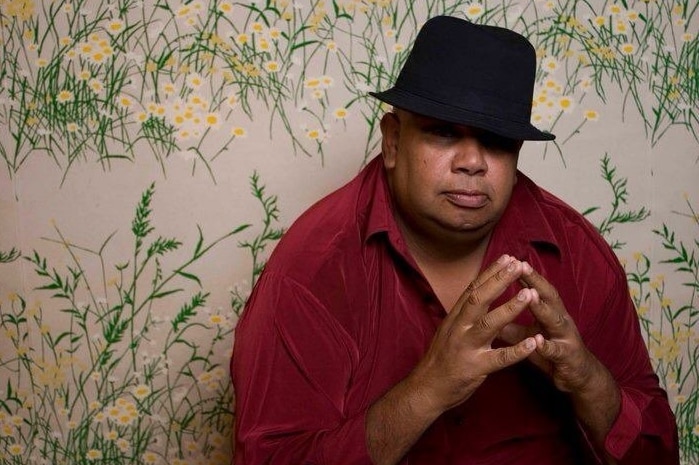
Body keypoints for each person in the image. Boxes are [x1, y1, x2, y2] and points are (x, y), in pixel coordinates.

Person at [230, 15, 679, 465]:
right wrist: (429, 389)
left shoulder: (575, 252)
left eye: (496, 140)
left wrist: (587, 380)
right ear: (392, 141)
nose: (472, 162)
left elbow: (657, 456)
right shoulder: (313, 267)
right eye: (443, 132)